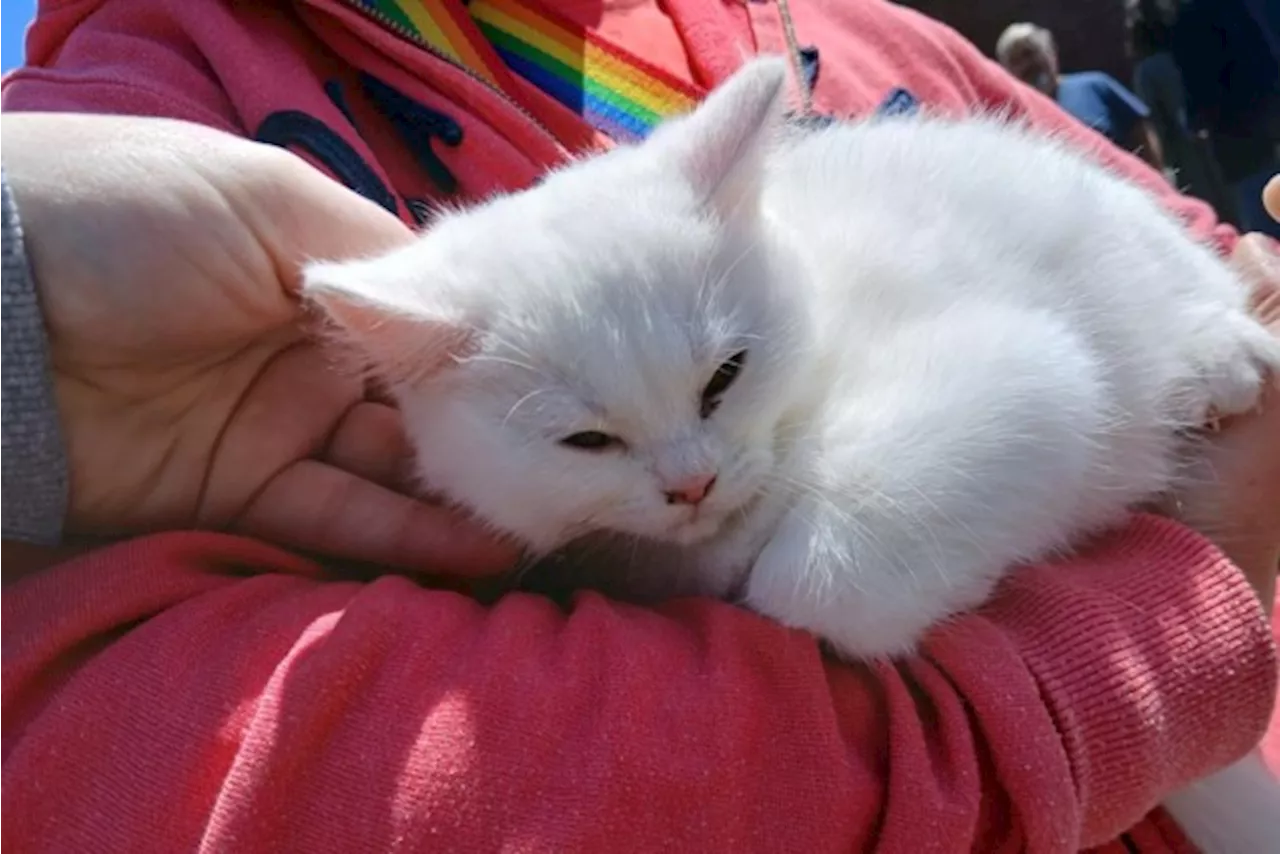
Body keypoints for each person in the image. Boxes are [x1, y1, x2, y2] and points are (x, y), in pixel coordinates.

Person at [2, 0, 1280, 848]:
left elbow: (1137, 315)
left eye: (721, 388)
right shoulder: (143, 86)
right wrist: (1185, 573)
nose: (688, 479)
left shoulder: (851, 38)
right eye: (590, 442)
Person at [1172, 0, 1280, 240]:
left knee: (1262, 214)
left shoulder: (1190, 17)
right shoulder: (1238, 7)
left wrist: (1194, 118)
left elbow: (1198, 82)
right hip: (1263, 116)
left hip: (1235, 134)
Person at [995, 21, 1165, 171]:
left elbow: (1139, 128)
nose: (1027, 65)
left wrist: (1158, 179)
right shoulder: (1014, 118)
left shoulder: (1095, 85)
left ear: (1051, 52)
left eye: (1029, 53)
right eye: (1015, 61)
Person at [1125, 0, 1238, 224]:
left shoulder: (1146, 71)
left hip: (1182, 143)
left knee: (1205, 195)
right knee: (1227, 189)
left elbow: (1153, 116)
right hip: (1210, 131)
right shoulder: (1180, 54)